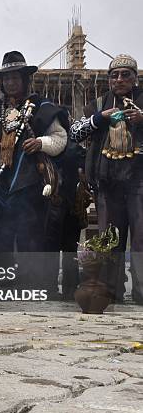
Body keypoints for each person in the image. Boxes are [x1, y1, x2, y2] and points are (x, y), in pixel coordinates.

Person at [0, 51, 68, 292]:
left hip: (30, 187)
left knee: (30, 241)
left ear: (25, 80)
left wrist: (41, 143)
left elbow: (61, 138)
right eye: (7, 78)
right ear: (1, 82)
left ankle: (30, 288)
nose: (11, 82)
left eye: (16, 77)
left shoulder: (43, 109)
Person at [70, 54, 143, 304]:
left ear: (135, 78)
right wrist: (99, 118)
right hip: (107, 183)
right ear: (109, 80)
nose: (119, 79)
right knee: (109, 238)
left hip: (139, 182)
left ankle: (142, 294)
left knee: (142, 237)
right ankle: (110, 292)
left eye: (125, 74)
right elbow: (74, 133)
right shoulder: (98, 104)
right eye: (114, 75)